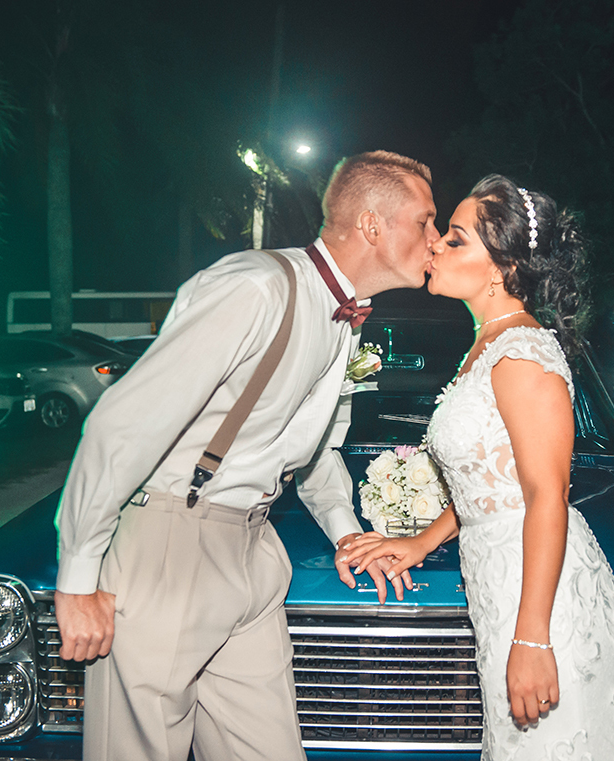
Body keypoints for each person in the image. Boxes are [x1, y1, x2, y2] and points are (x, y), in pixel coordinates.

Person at [53, 150, 437, 761]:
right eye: (425, 221)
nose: (435, 240)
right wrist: (77, 579)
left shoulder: (347, 319)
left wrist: (347, 536)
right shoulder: (255, 288)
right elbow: (122, 425)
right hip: (171, 546)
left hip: (252, 556)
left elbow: (307, 450)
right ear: (371, 225)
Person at [344, 175, 614, 760]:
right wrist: (421, 542)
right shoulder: (485, 344)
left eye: (456, 240)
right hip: (499, 581)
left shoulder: (522, 353)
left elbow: (547, 495)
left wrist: (532, 637)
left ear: (502, 269)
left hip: (540, 597)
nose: (435, 244)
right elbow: (490, 484)